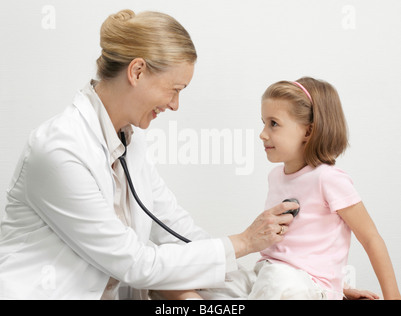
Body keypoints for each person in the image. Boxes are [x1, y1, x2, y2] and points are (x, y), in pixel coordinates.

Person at [0, 9, 297, 300]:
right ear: (137, 71)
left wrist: (274, 285)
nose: (175, 105)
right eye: (174, 89)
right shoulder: (59, 149)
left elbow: (176, 231)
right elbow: (135, 263)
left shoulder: (130, 141)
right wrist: (245, 241)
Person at [249, 77, 400, 299]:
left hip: (301, 283)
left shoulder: (328, 179)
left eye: (273, 123)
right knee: (219, 277)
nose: (262, 133)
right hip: (269, 272)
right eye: (263, 122)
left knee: (276, 281)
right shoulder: (275, 177)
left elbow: (370, 238)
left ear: (308, 132)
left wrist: (393, 297)